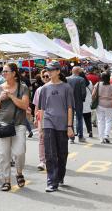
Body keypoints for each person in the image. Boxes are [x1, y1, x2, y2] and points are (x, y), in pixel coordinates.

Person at [0, 63, 30, 192]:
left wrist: (12, 96)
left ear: (14, 73)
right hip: (2, 125)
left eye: (6, 71)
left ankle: (19, 172)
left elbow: (24, 105)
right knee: (3, 154)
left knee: (20, 152)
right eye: (3, 72)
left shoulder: (22, 88)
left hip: (18, 125)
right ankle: (6, 180)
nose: (4, 73)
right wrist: (0, 99)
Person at [39, 61, 75, 192]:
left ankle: (60, 176)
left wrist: (70, 126)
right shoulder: (44, 88)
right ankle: (51, 182)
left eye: (52, 70)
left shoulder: (66, 88)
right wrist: (41, 126)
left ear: (58, 71)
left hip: (63, 124)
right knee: (50, 153)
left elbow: (70, 108)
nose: (49, 72)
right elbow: (42, 109)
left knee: (62, 153)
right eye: (48, 70)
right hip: (48, 123)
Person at [32, 69, 51, 171]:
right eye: (43, 77)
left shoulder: (55, 88)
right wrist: (36, 117)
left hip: (52, 117)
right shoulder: (39, 90)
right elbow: (36, 105)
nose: (45, 78)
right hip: (42, 117)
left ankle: (50, 160)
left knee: (51, 139)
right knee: (41, 138)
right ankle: (42, 161)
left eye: (47, 76)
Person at [93, 72, 112, 144]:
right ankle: (106, 135)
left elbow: (93, 94)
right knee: (108, 120)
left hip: (100, 104)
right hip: (109, 104)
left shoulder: (98, 84)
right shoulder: (111, 86)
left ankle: (101, 138)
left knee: (100, 121)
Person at [67, 66, 87, 143]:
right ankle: (80, 136)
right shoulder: (81, 79)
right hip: (78, 101)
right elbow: (83, 92)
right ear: (78, 72)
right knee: (79, 118)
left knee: (70, 119)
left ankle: (71, 138)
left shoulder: (67, 79)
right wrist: (83, 99)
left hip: (69, 102)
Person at [80, 71, 93, 137]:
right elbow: (92, 91)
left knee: (79, 119)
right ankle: (90, 131)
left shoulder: (78, 82)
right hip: (88, 102)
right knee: (88, 118)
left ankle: (80, 132)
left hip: (80, 102)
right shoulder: (89, 82)